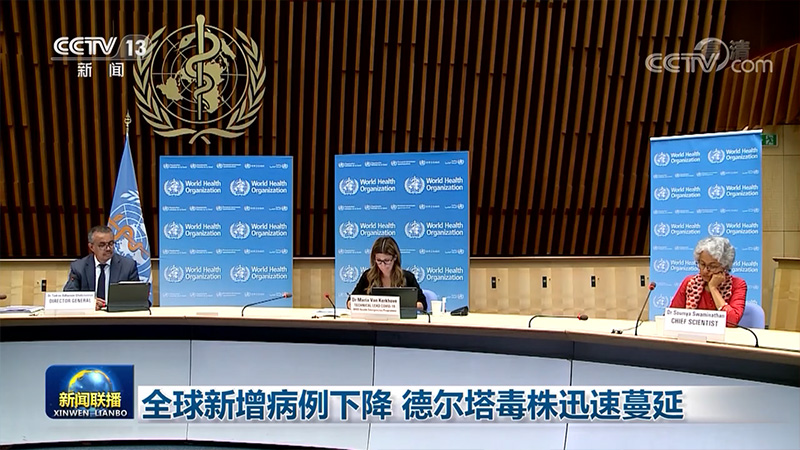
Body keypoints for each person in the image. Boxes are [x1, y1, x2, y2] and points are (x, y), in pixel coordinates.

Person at [669, 236, 746, 326]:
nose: (705, 271)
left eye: (712, 266)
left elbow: (732, 322)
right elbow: (671, 317)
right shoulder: (690, 282)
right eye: (702, 264)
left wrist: (713, 288)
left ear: (724, 266)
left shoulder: (738, 284)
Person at [64, 225, 140, 310]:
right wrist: (90, 303)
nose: (108, 249)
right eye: (102, 245)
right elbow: (69, 296)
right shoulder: (79, 267)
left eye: (111, 244)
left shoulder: (128, 266)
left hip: (117, 315)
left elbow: (138, 299)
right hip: (90, 315)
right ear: (91, 247)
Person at [348, 236, 427, 310]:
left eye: (387, 260)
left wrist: (398, 306)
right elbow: (350, 301)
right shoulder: (368, 276)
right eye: (379, 260)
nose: (382, 265)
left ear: (395, 258)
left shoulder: (407, 277)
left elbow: (422, 304)